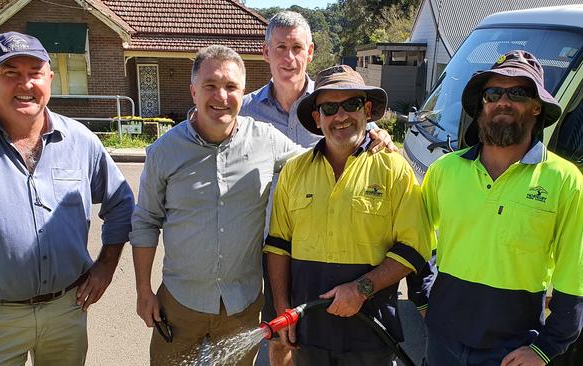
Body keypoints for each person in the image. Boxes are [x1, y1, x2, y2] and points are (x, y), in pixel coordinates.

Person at [0, 32, 134, 365]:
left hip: (66, 314)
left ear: (49, 78)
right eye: (10, 73)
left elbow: (122, 204)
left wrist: (105, 268)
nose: (24, 83)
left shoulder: (80, 141)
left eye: (34, 72)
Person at [240, 11, 398, 365]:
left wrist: (381, 136)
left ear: (311, 51)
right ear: (265, 52)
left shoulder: (335, 100)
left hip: (328, 249)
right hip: (269, 248)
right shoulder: (244, 112)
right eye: (280, 47)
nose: (288, 57)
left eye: (297, 47)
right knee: (282, 338)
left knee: (325, 345)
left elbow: (360, 136)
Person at [130, 45, 302, 366]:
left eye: (231, 87)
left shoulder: (266, 140)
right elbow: (145, 223)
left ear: (243, 92)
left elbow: (317, 159)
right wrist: (143, 291)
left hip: (243, 304)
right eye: (210, 85)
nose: (220, 96)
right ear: (194, 90)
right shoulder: (164, 152)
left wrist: (370, 139)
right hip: (181, 304)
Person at [422, 50, 583, 366]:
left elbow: (574, 276)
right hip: (443, 341)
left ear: (537, 107)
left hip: (513, 350)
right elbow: (417, 238)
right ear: (482, 105)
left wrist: (546, 348)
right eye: (493, 93)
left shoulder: (566, 181)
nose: (503, 101)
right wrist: (421, 298)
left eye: (518, 93)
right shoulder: (444, 170)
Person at [264, 65, 432, 366]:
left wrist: (360, 289)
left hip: (370, 335)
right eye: (329, 108)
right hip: (308, 332)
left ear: (367, 110)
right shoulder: (294, 171)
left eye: (351, 104)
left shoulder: (394, 169)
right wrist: (281, 308)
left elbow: (414, 247)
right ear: (317, 118)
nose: (340, 116)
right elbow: (278, 245)